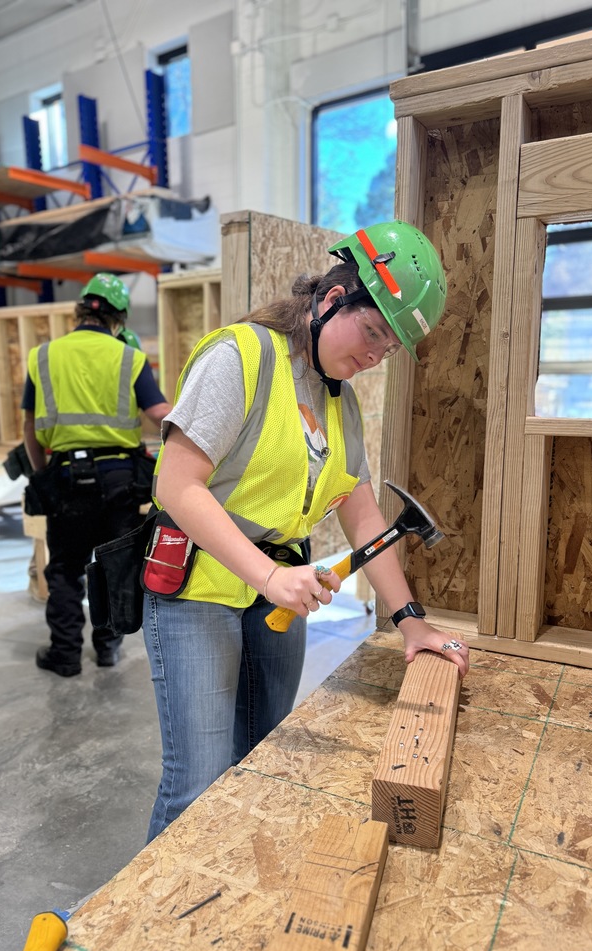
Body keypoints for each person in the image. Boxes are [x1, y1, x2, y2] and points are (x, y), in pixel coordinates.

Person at [143, 219, 471, 841]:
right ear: (330, 299)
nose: (374, 357)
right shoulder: (240, 356)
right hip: (196, 594)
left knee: (263, 756)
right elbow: (177, 486)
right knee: (199, 779)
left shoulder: (339, 399)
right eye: (372, 332)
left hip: (274, 598)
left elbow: (364, 513)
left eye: (388, 348)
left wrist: (411, 621)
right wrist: (268, 574)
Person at [22, 272, 171, 673]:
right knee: (114, 565)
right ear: (118, 318)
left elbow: (30, 430)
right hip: (120, 480)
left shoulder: (43, 356)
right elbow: (159, 413)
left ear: (78, 312)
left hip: (67, 477)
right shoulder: (130, 357)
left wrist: (42, 477)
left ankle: (66, 654)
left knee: (65, 570)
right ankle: (107, 647)